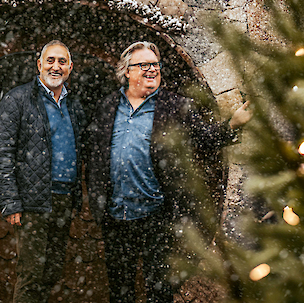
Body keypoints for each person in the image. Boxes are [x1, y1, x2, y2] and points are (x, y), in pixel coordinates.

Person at [86, 41, 251, 302]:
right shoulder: (107, 107)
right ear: (126, 71)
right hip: (116, 218)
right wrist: (98, 202)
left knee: (160, 291)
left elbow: (205, 139)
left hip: (158, 218)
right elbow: (95, 155)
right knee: (120, 291)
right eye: (144, 65)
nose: (152, 69)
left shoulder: (177, 106)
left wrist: (232, 125)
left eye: (155, 65)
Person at [0, 40, 85, 303]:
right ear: (39, 64)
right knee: (31, 275)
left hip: (63, 199)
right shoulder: (17, 99)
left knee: (52, 272)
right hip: (32, 202)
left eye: (62, 62)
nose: (56, 67)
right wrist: (10, 201)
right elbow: (1, 154)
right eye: (51, 60)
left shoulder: (74, 105)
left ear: (70, 67)